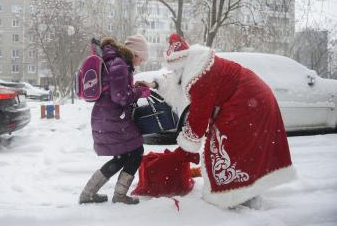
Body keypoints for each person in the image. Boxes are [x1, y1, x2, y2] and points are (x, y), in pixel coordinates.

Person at [143, 33, 296, 208]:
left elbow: (198, 119)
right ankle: (243, 189)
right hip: (253, 98)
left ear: (182, 64)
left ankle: (232, 194)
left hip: (250, 103)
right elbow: (176, 82)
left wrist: (185, 150)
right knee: (236, 148)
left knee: (226, 148)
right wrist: (157, 84)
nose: (173, 72)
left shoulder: (200, 78)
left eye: (175, 68)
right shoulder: (196, 65)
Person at [79, 35, 150, 205]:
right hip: (113, 116)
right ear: (135, 53)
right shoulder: (119, 64)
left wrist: (134, 87)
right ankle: (117, 196)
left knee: (124, 156)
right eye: (142, 58)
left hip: (107, 116)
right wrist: (141, 92)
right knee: (135, 151)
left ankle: (88, 193)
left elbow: (115, 89)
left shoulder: (116, 62)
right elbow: (120, 97)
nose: (141, 62)